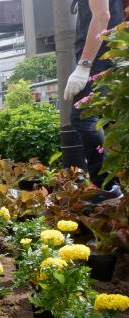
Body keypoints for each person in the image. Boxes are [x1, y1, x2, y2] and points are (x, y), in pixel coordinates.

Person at [64, 0, 125, 190]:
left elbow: (102, 15)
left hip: (102, 54)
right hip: (108, 51)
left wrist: (84, 65)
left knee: (83, 117)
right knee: (111, 120)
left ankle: (107, 188)